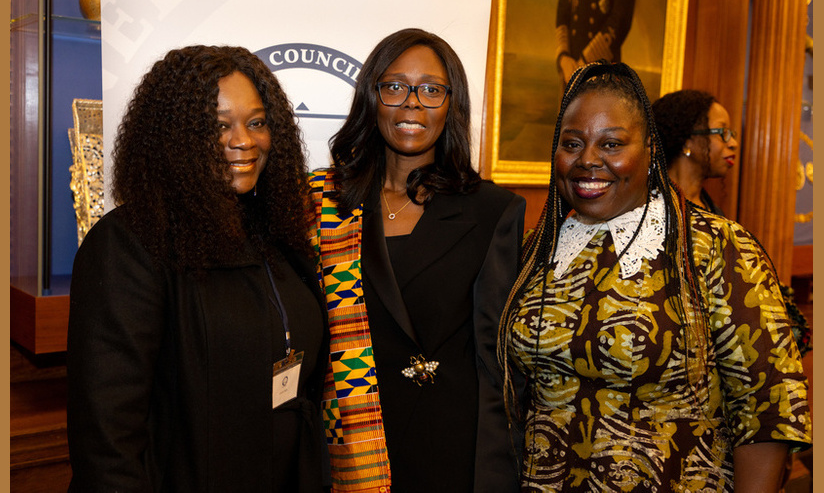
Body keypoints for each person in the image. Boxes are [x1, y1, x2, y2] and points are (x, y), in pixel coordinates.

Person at [498, 61, 811, 491]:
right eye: (572, 143)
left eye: (612, 144)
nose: (588, 160)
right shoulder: (538, 248)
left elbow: (768, 411)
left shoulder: (714, 247)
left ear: (650, 154)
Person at [67, 45, 328, 492]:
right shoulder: (131, 243)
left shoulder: (277, 234)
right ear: (176, 136)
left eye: (257, 122)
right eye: (218, 125)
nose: (243, 140)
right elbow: (108, 440)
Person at [308, 28, 525, 493]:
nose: (412, 103)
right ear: (373, 97)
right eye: (395, 86)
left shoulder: (492, 211)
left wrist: (494, 475)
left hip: (444, 446)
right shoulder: (321, 200)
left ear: (452, 104)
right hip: (344, 443)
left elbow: (494, 362)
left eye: (430, 89)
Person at [651, 89, 738, 214]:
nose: (733, 144)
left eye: (731, 134)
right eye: (722, 133)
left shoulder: (714, 213)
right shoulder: (644, 207)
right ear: (687, 140)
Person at [555, 0, 636, 88]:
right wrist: (563, 58)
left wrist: (587, 62)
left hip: (602, 70)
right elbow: (563, 11)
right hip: (570, 70)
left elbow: (621, 18)